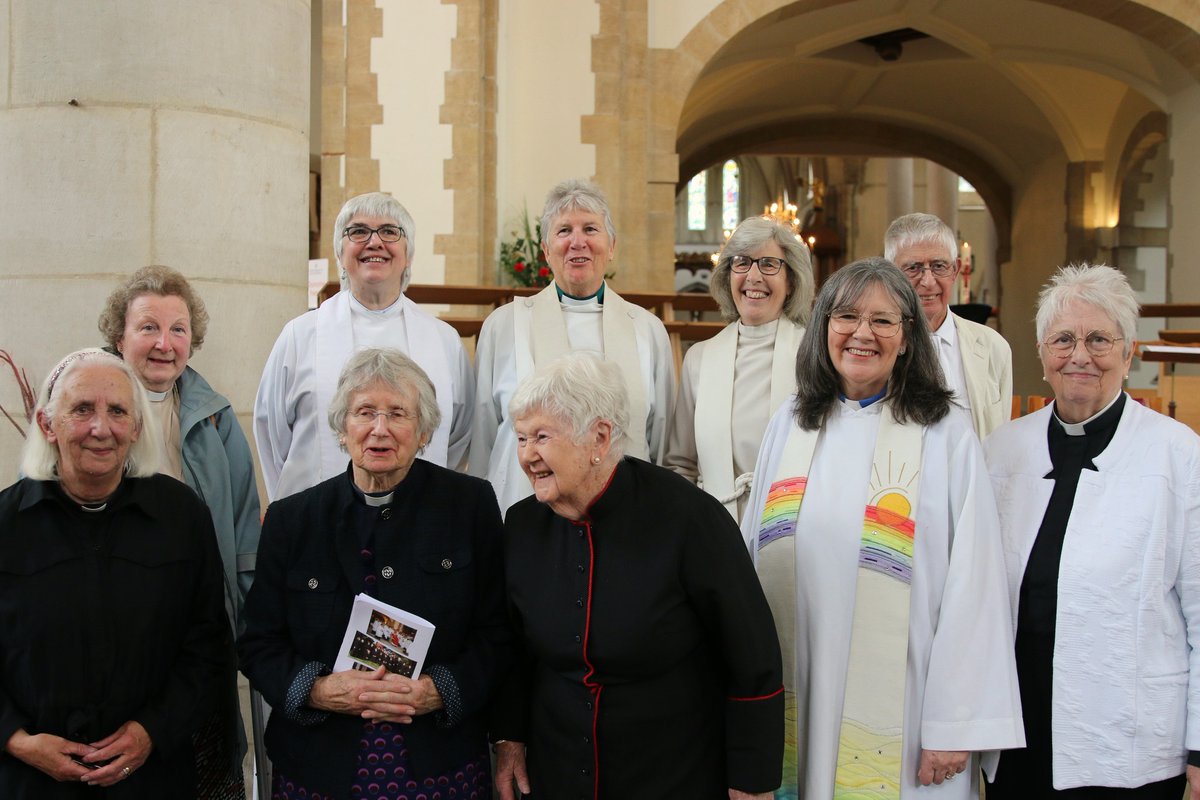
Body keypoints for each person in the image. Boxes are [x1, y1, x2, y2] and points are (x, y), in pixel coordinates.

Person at [740, 258, 1023, 799]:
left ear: (908, 336)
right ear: (823, 326)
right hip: (796, 687)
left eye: (883, 321)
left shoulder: (945, 435)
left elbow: (976, 588)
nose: (862, 334)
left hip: (909, 710)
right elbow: (752, 565)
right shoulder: (792, 422)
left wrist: (955, 723)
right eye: (845, 316)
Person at [493, 352, 783, 800]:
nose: (527, 455)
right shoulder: (522, 525)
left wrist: (752, 779)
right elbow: (513, 650)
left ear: (600, 438)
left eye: (542, 437)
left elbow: (751, 655)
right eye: (521, 438)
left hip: (670, 773)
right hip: (558, 771)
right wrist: (509, 739)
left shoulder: (689, 517)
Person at [239, 348, 508, 799]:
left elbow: (498, 633)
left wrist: (437, 691)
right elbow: (258, 642)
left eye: (398, 413)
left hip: (440, 763)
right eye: (365, 412)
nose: (379, 429)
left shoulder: (470, 506)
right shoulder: (292, 519)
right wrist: (319, 690)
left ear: (423, 432)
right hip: (319, 767)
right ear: (342, 429)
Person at [984, 264, 1200, 799]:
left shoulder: (1178, 455)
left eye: (1099, 339)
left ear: (1129, 354)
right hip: (1020, 736)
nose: (1080, 355)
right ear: (1041, 352)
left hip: (1129, 745)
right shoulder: (1002, 451)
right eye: (1063, 339)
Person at [0, 349, 233, 798]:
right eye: (82, 409)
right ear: (48, 424)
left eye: (117, 411)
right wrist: (18, 741)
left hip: (153, 778)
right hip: (29, 782)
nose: (100, 428)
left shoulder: (181, 518)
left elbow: (208, 645)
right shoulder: (6, 527)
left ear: (136, 427)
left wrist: (152, 730)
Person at [98, 264, 257, 798]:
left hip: (197, 634)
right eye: (148, 328)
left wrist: (241, 623)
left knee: (202, 772)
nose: (165, 343)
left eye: (179, 329)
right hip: (112, 637)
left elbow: (243, 528)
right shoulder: (92, 415)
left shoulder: (215, 419)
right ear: (119, 337)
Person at [470, 178, 674, 514]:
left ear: (612, 246)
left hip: (628, 515)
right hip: (524, 510)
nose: (577, 242)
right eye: (564, 231)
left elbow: (661, 437)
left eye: (590, 229)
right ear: (546, 250)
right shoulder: (505, 325)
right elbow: (483, 434)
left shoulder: (647, 330)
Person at [255, 192, 474, 501]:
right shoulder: (300, 335)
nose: (374, 242)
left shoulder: (444, 340)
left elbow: (458, 436)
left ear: (408, 254)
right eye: (358, 231)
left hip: (418, 514)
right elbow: (271, 433)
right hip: (318, 518)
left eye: (389, 231)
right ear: (340, 253)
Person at [664, 216, 814, 519]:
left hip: (792, 526)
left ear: (792, 280)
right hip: (715, 527)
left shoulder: (813, 356)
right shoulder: (700, 358)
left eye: (769, 264)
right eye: (741, 263)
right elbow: (680, 464)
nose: (753, 276)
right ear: (727, 275)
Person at [884, 212, 1012, 437]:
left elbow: (999, 440)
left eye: (939, 266)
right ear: (890, 274)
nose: (928, 281)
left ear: (956, 270)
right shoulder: (874, 344)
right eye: (913, 268)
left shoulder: (993, 347)